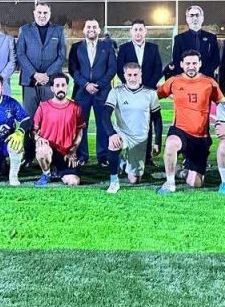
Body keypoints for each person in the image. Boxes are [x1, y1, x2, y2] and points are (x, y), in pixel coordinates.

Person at [156, 50, 223, 194]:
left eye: (194, 63)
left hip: (201, 137)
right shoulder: (174, 81)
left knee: (195, 183)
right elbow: (156, 96)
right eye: (187, 63)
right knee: (171, 143)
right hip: (180, 130)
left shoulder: (210, 83)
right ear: (181, 64)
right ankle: (170, 182)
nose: (191, 66)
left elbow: (222, 104)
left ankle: (181, 171)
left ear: (200, 64)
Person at [16, 3, 67, 162]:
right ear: (34, 13)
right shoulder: (25, 30)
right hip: (30, 82)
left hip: (49, 82)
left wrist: (47, 75)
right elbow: (20, 54)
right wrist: (35, 74)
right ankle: (29, 155)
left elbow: (61, 56)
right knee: (29, 119)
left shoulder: (58, 30)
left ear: (49, 14)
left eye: (45, 12)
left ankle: (52, 154)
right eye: (39, 12)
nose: (42, 15)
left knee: (50, 120)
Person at [103, 62, 163, 194]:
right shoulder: (116, 92)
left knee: (135, 179)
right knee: (113, 144)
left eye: (135, 75)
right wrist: (112, 134)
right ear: (124, 75)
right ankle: (114, 181)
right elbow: (105, 114)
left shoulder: (150, 93)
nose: (132, 78)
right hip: (122, 133)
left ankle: (123, 163)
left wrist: (157, 141)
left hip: (140, 138)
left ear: (140, 75)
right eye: (129, 75)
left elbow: (157, 119)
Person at [115, 19, 164, 168]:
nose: (138, 32)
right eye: (135, 29)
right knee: (129, 123)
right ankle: (128, 155)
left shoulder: (153, 48)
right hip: (129, 92)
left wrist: (147, 87)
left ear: (145, 31)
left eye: (140, 29)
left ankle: (147, 157)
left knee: (147, 123)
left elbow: (158, 68)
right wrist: (132, 85)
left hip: (147, 91)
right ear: (131, 32)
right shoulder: (124, 48)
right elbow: (120, 69)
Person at [67, 19, 117, 166]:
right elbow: (73, 69)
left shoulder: (107, 47)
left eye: (94, 27)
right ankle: (82, 156)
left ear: (99, 30)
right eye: (88, 27)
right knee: (81, 125)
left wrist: (99, 85)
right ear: (84, 30)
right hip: (82, 92)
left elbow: (112, 69)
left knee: (103, 124)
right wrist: (86, 84)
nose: (91, 29)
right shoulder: (76, 47)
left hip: (102, 92)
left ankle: (103, 156)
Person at [33, 73, 86, 186]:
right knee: (42, 150)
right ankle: (46, 173)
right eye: (57, 85)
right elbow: (33, 131)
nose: (60, 88)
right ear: (52, 88)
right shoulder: (43, 107)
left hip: (66, 152)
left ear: (67, 87)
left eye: (63, 85)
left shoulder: (75, 107)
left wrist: (73, 150)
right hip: (49, 149)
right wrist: (38, 138)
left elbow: (80, 130)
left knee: (74, 182)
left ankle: (58, 171)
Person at [166, 5, 220, 79]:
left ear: (202, 18)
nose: (195, 18)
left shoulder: (211, 37)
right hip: (186, 79)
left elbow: (216, 59)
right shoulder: (179, 39)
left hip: (206, 78)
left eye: (197, 15)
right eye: (191, 15)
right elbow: (177, 60)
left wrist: (203, 74)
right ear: (187, 19)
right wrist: (188, 75)